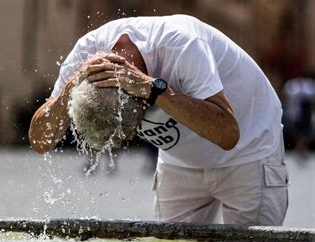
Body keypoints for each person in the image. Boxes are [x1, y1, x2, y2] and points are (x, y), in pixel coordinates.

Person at [29, 15, 288, 225]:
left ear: (142, 104)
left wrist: (154, 89)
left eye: (132, 131)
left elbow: (229, 134)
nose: (133, 138)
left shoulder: (182, 44)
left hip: (249, 149)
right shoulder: (85, 55)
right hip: (180, 160)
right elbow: (40, 142)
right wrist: (68, 91)